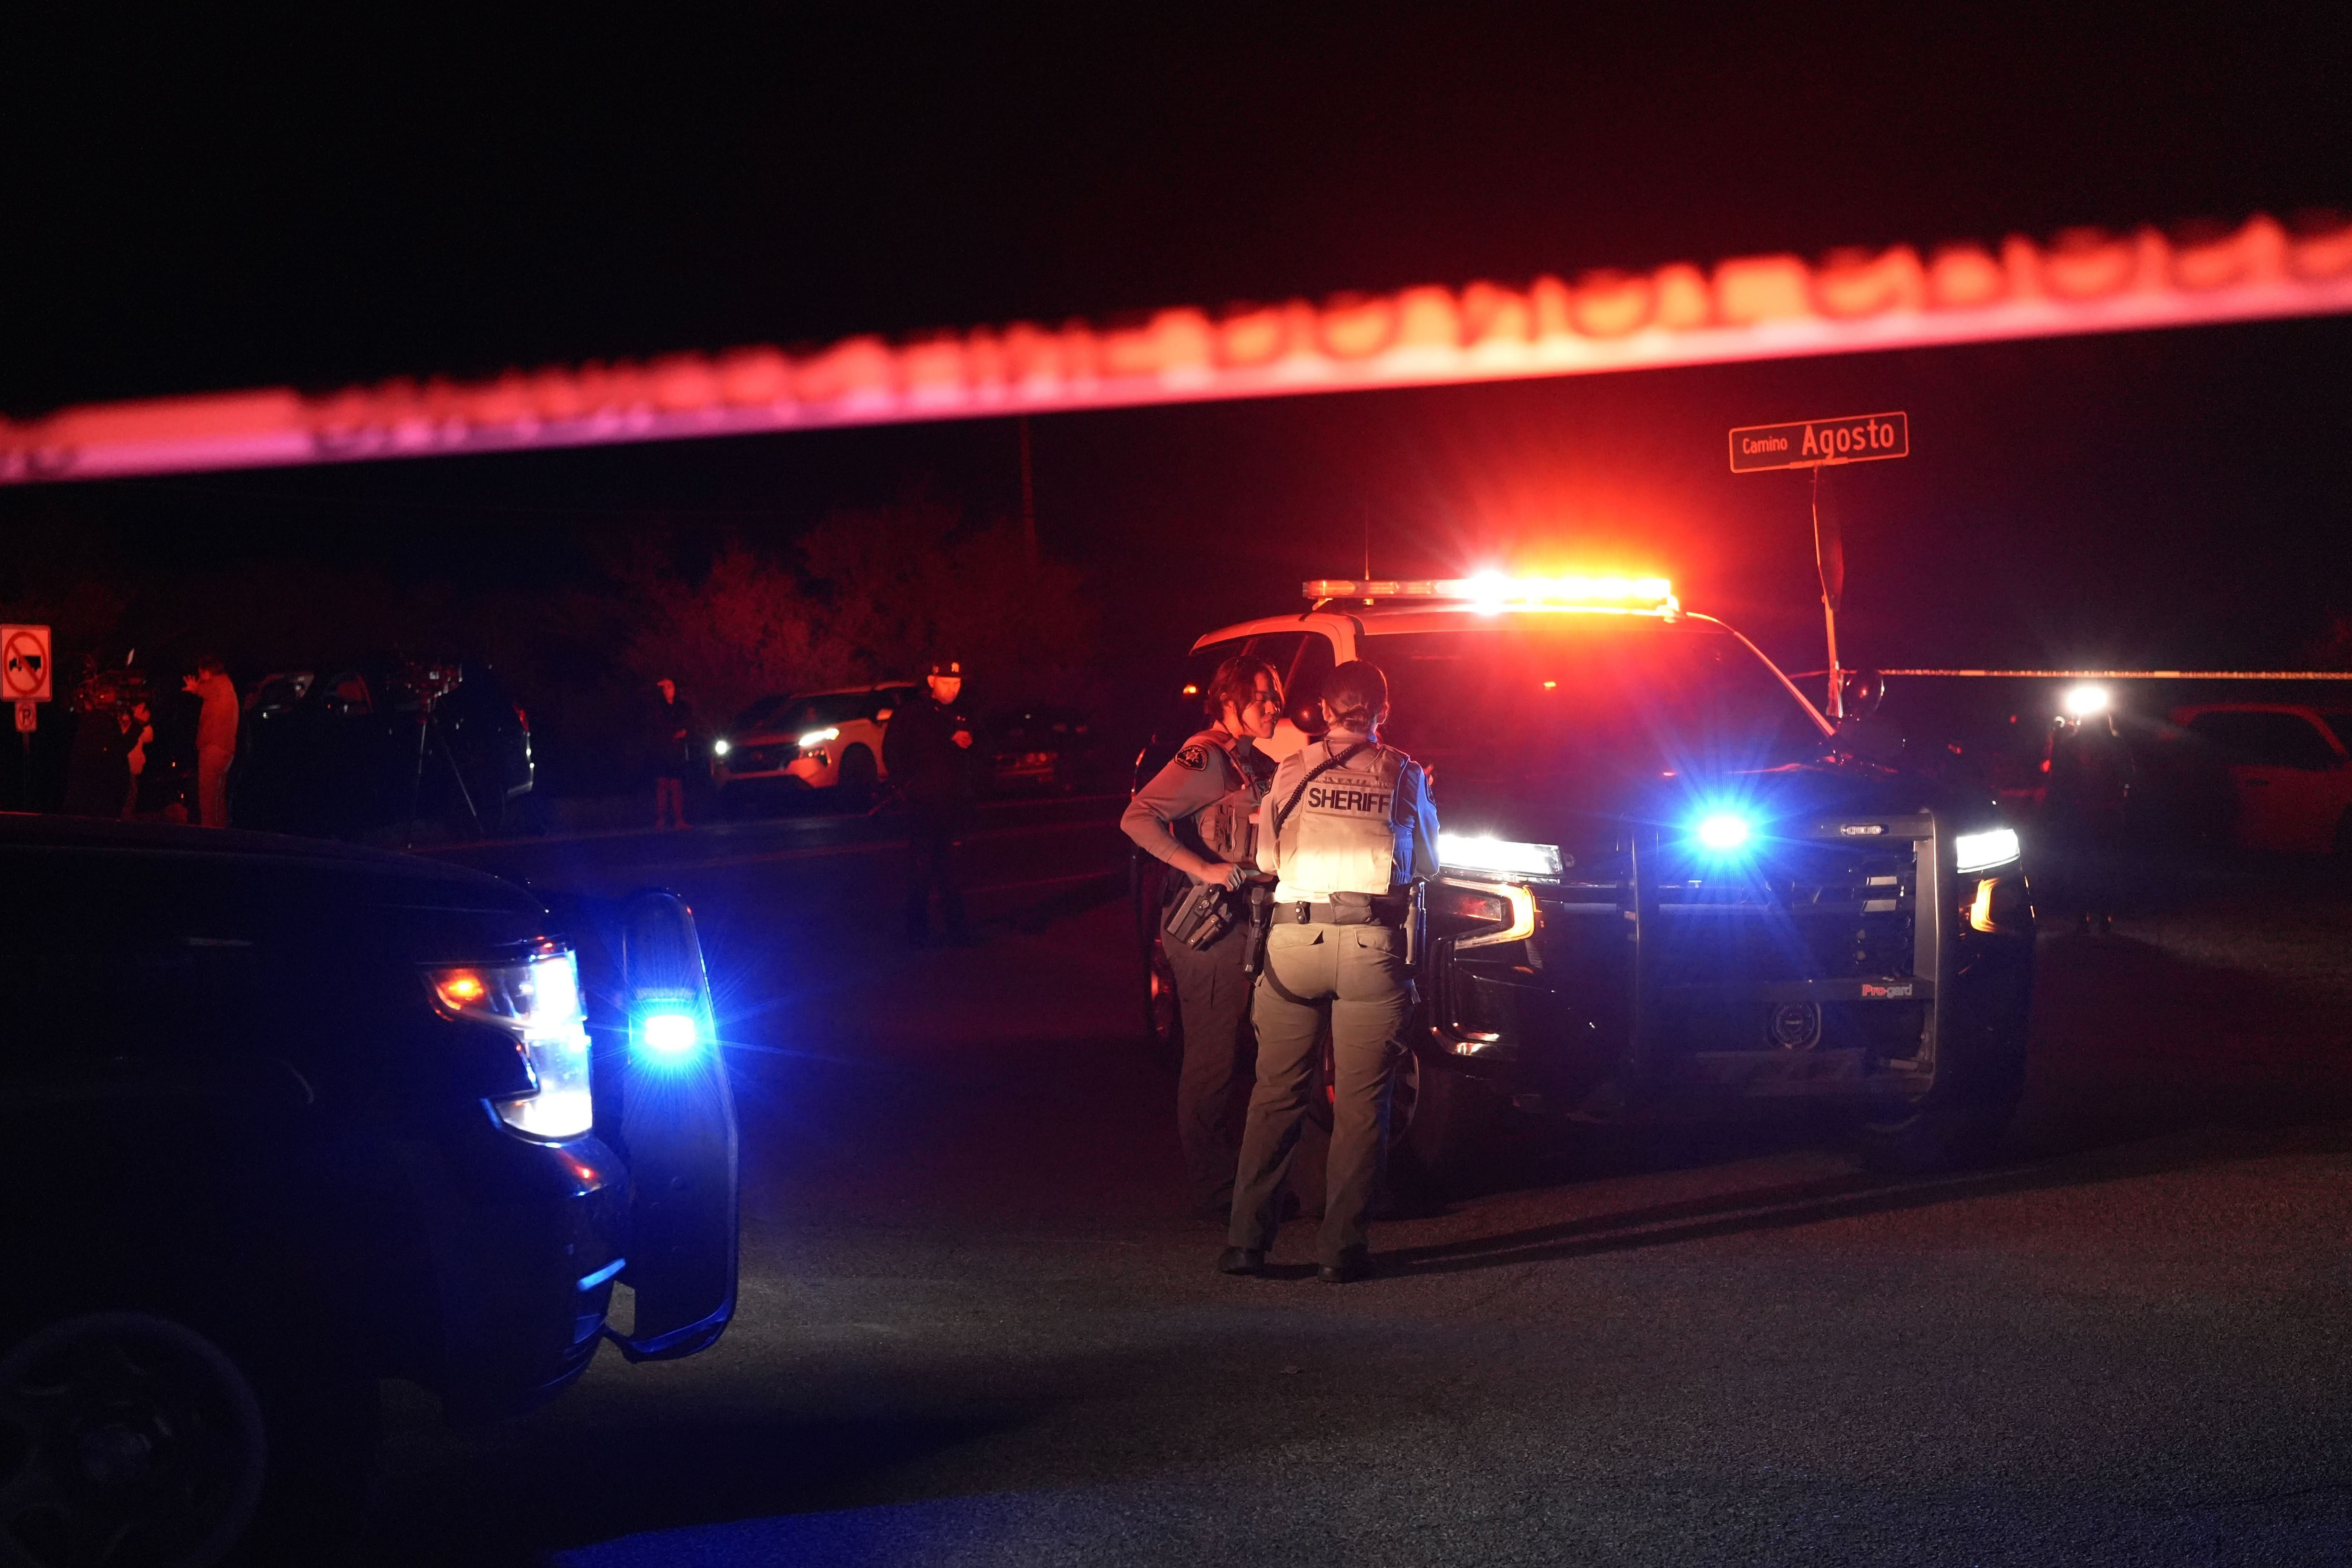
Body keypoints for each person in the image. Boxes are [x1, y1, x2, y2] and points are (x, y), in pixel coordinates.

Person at [1222, 659, 1440, 1284]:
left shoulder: (1290, 768)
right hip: (1371, 946)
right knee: (1363, 1105)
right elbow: (1428, 862)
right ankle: (1340, 1251)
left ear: (1320, 709)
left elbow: (1266, 856)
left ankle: (1245, 1244)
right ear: (1383, 710)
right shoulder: (1403, 771)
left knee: (1275, 1096)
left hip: (1294, 941)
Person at [1121, 654, 1285, 1220]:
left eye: (1275, 693)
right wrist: (1203, 868)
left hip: (1247, 924)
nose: (1273, 705)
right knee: (1213, 1060)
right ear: (1229, 703)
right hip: (1209, 927)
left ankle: (1255, 1180)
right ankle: (1216, 1190)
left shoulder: (1248, 760)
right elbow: (1137, 817)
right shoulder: (1207, 758)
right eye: (1260, 695)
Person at [884, 656, 979, 945]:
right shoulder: (912, 714)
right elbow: (893, 751)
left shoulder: (966, 713)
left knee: (950, 868)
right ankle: (918, 931)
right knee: (922, 868)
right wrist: (905, 785)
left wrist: (972, 747)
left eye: (957, 683)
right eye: (946, 683)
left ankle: (956, 930)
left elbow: (982, 754)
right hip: (923, 803)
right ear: (931, 682)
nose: (952, 689)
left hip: (953, 803)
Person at [2046, 706, 2136, 934]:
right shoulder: (2116, 744)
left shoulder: (2070, 745)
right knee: (2107, 864)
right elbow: (2129, 775)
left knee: (2080, 864)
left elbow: (2059, 780)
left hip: (2081, 813)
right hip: (2109, 812)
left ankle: (2081, 917)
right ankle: (2104, 916)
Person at [182, 656, 238, 828]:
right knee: (218, 799)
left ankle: (208, 840)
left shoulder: (218, 684)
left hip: (214, 749)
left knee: (207, 799)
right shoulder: (228, 687)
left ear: (207, 672)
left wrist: (196, 688)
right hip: (226, 750)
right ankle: (222, 837)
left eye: (201, 674)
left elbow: (207, 690)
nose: (200, 678)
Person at [650, 678, 696, 831]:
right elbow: (658, 726)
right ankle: (661, 820)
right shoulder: (658, 707)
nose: (667, 690)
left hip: (676, 751)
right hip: (662, 750)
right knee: (662, 785)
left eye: (670, 687)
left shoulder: (681, 707)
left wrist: (684, 732)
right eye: (665, 688)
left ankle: (679, 820)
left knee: (676, 785)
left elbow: (688, 723)